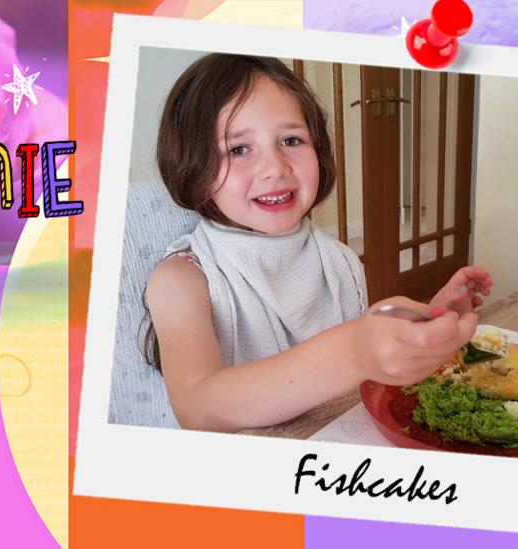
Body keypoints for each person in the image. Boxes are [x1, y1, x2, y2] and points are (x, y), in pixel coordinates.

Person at [143, 53, 492, 432]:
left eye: (291, 140)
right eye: (238, 149)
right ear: (193, 165)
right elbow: (197, 407)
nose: (276, 167)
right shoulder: (181, 279)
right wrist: (355, 351)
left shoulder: (338, 259)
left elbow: (362, 378)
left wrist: (427, 325)